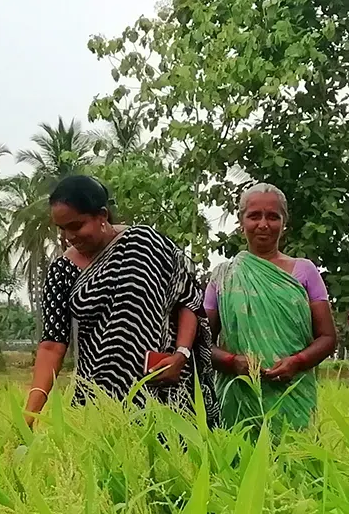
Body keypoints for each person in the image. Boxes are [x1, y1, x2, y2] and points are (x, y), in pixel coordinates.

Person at [25, 175, 218, 426]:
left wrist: (181, 354)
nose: (68, 237)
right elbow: (52, 344)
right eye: (61, 228)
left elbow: (187, 299)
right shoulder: (62, 270)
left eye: (76, 226)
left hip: (163, 387)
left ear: (102, 215)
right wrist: (29, 415)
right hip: (100, 399)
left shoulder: (146, 244)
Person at [207, 183, 337, 431]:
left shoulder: (305, 271)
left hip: (294, 396)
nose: (263, 224)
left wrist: (297, 361)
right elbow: (202, 341)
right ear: (241, 221)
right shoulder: (223, 276)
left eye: (273, 217)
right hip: (237, 398)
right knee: (237, 467)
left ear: (284, 222)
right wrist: (232, 361)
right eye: (254, 216)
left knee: (297, 463)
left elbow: (328, 338)